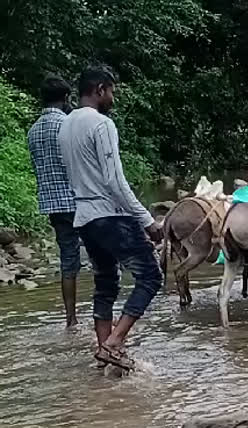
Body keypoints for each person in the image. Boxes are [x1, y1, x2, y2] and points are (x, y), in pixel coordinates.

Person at [58, 66, 163, 371]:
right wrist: (146, 220)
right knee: (150, 276)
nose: (113, 98)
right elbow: (115, 181)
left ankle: (106, 352)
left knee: (106, 283)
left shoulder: (66, 125)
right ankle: (115, 343)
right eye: (112, 91)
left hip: (84, 217)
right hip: (109, 215)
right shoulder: (102, 124)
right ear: (100, 89)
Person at [27, 75, 81, 328]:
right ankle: (105, 317)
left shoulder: (33, 130)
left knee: (68, 259)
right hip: (78, 199)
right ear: (66, 98)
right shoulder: (69, 123)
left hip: (52, 204)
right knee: (103, 255)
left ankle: (70, 319)